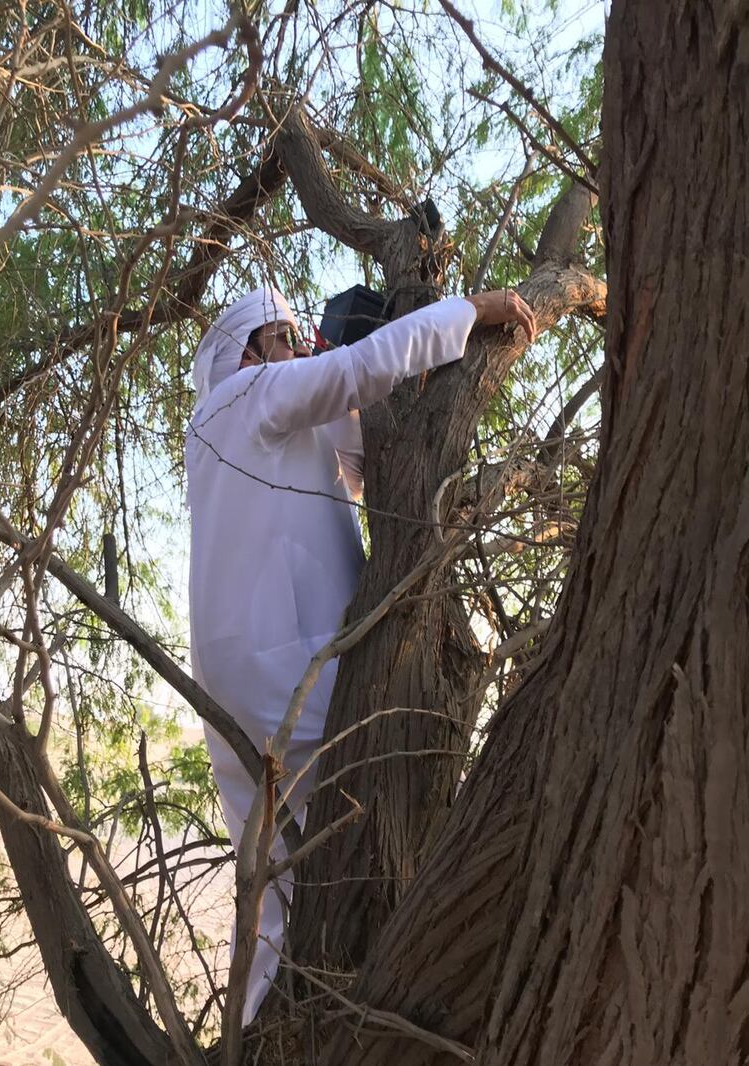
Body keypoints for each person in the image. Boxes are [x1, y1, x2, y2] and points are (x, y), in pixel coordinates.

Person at [186, 284, 535, 1022]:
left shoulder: (244, 424)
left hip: (238, 667)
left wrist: (372, 394)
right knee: (398, 763)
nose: (296, 348)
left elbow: (364, 458)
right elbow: (354, 370)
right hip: (282, 657)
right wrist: (472, 312)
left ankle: (261, 1029)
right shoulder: (244, 395)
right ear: (249, 348)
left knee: (275, 880)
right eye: (283, 335)